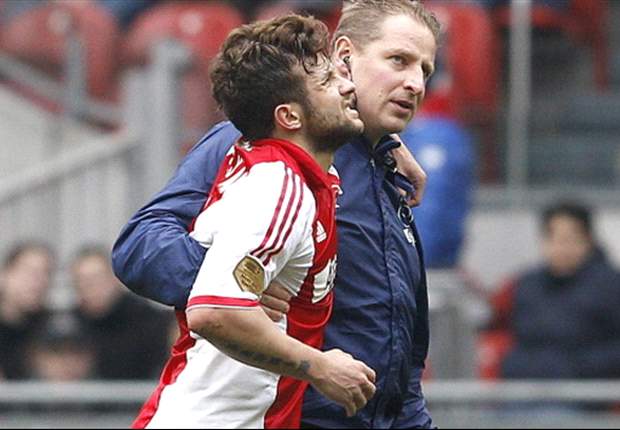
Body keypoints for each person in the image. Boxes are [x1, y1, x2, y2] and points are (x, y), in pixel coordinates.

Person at [113, 0, 440, 427]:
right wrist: (235, 280)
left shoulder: (392, 180)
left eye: (426, 70)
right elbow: (140, 245)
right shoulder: (267, 146)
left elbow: (402, 361)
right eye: (398, 60)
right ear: (344, 57)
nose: (414, 82)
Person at [485, 201, 620, 382]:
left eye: (569, 239)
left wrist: (573, 368)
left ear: (588, 240)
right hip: (526, 389)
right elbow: (510, 340)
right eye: (553, 238)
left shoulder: (611, 286)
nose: (561, 247)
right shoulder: (526, 285)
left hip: (588, 391)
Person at [70, 244, 171, 380]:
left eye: (97, 278)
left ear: (115, 277)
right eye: (83, 280)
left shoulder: (147, 319)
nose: (91, 286)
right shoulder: (71, 325)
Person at [0, 241, 54, 380]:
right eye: (30, 272)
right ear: (5, 275)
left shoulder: (52, 327)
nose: (39, 281)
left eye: (46, 273)